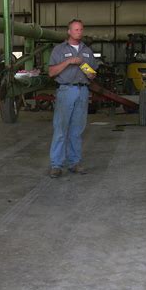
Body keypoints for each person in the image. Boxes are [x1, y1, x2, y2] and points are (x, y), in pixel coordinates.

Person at [48, 19, 97, 179]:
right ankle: (56, 165)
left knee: (77, 130)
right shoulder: (59, 50)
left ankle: (74, 163)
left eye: (81, 29)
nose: (79, 32)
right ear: (69, 31)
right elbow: (51, 72)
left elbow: (92, 74)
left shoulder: (87, 51)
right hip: (66, 90)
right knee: (61, 129)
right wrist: (69, 61)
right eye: (76, 29)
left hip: (82, 91)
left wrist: (88, 70)